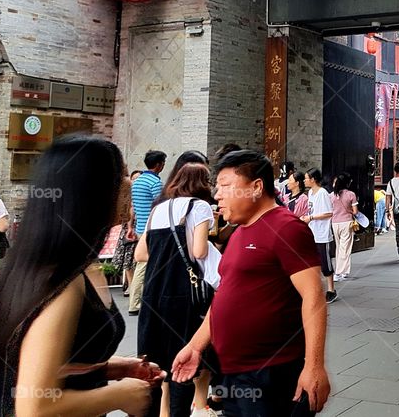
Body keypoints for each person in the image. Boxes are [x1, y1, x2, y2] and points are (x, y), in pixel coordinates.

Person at [0, 135, 165, 416]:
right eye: (121, 174)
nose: (130, 183)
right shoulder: (63, 281)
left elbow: (48, 361)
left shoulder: (71, 265)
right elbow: (33, 407)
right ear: (90, 191)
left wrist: (110, 367)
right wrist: (120, 395)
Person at [171, 150, 331, 416]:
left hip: (271, 374)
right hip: (234, 374)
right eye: (216, 187)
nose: (217, 195)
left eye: (225, 186)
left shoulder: (286, 227)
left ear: (256, 187)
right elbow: (224, 296)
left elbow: (313, 297)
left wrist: (314, 366)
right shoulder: (238, 232)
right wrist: (196, 346)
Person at [137, 161, 222, 417]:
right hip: (184, 293)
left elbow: (142, 253)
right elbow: (199, 251)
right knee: (183, 362)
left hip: (153, 291)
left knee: (155, 360)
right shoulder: (200, 206)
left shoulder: (159, 209)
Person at [129, 149, 167, 315]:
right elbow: (160, 205)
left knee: (145, 265)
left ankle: (141, 300)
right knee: (144, 266)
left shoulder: (137, 181)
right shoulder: (155, 182)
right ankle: (135, 303)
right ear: (159, 165)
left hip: (140, 228)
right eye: (163, 163)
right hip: (151, 229)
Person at [302, 169, 337, 303]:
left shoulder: (322, 193)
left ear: (313, 179)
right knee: (313, 261)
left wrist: (311, 217)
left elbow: (328, 213)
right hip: (312, 231)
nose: (305, 181)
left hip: (322, 233)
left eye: (306, 178)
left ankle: (331, 290)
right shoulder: (310, 193)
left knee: (325, 261)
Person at [112, 170, 141, 296]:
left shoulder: (140, 194)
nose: (135, 181)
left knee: (135, 259)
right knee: (128, 259)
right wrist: (129, 226)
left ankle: (134, 287)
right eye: (134, 179)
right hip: (129, 227)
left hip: (137, 225)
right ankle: (130, 286)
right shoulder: (126, 193)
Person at [330, 172, 358, 281]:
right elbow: (355, 212)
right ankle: (339, 272)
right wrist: (350, 210)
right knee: (345, 248)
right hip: (346, 222)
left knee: (339, 247)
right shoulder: (351, 194)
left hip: (335, 223)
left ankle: (344, 270)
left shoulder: (331, 195)